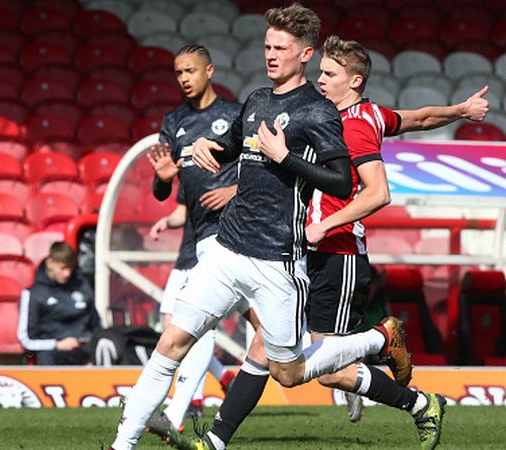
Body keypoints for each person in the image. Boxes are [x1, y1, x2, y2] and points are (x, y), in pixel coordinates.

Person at [109, 5, 410, 450]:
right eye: (266, 46)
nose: (270, 54)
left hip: (278, 262)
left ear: (305, 54)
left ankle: (376, 337)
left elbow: (343, 180)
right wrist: (211, 146)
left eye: (280, 48)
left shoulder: (318, 111)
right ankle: (122, 444)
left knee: (287, 373)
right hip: (227, 250)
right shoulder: (256, 100)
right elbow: (233, 144)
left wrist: (285, 157)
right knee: (171, 342)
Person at [169, 35, 489, 450]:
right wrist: (461, 110)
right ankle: (214, 440)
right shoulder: (359, 115)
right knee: (266, 345)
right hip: (302, 253)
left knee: (331, 370)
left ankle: (408, 384)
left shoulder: (353, 128)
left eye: (330, 74)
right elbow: (420, 118)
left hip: (336, 254)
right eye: (320, 71)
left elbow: (377, 192)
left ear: (354, 81)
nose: (320, 80)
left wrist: (324, 225)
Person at [144, 44, 245, 433]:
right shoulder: (174, 121)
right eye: (178, 73)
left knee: (193, 321)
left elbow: (264, 172)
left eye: (190, 71)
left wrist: (233, 190)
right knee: (176, 322)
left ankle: (174, 411)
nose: (184, 79)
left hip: (234, 235)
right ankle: (344, 362)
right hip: (196, 238)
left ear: (209, 71)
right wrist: (164, 177)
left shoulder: (234, 116)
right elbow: (162, 191)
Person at [17, 241, 101, 365]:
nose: (67, 273)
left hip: (84, 350)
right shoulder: (33, 294)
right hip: (53, 352)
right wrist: (57, 344)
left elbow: (97, 325)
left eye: (70, 268)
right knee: (46, 355)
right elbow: (26, 340)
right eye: (63, 268)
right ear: (50, 263)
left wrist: (93, 353)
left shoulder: (83, 286)